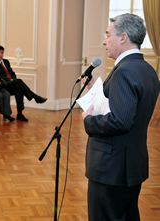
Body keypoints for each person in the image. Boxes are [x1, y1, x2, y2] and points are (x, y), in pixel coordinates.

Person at [81, 14, 160, 221]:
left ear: (123, 37)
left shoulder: (124, 71)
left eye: (108, 35)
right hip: (131, 166)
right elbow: (127, 109)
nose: (104, 41)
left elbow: (120, 121)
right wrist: (94, 90)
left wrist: (89, 121)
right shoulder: (146, 69)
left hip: (111, 168)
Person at [0, 45, 47, 121]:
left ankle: (20, 113)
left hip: (11, 84)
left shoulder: (6, 61)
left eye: (2, 53)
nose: (0, 54)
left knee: (19, 90)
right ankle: (34, 96)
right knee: (19, 81)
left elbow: (12, 72)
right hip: (3, 85)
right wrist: (11, 81)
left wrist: (13, 78)